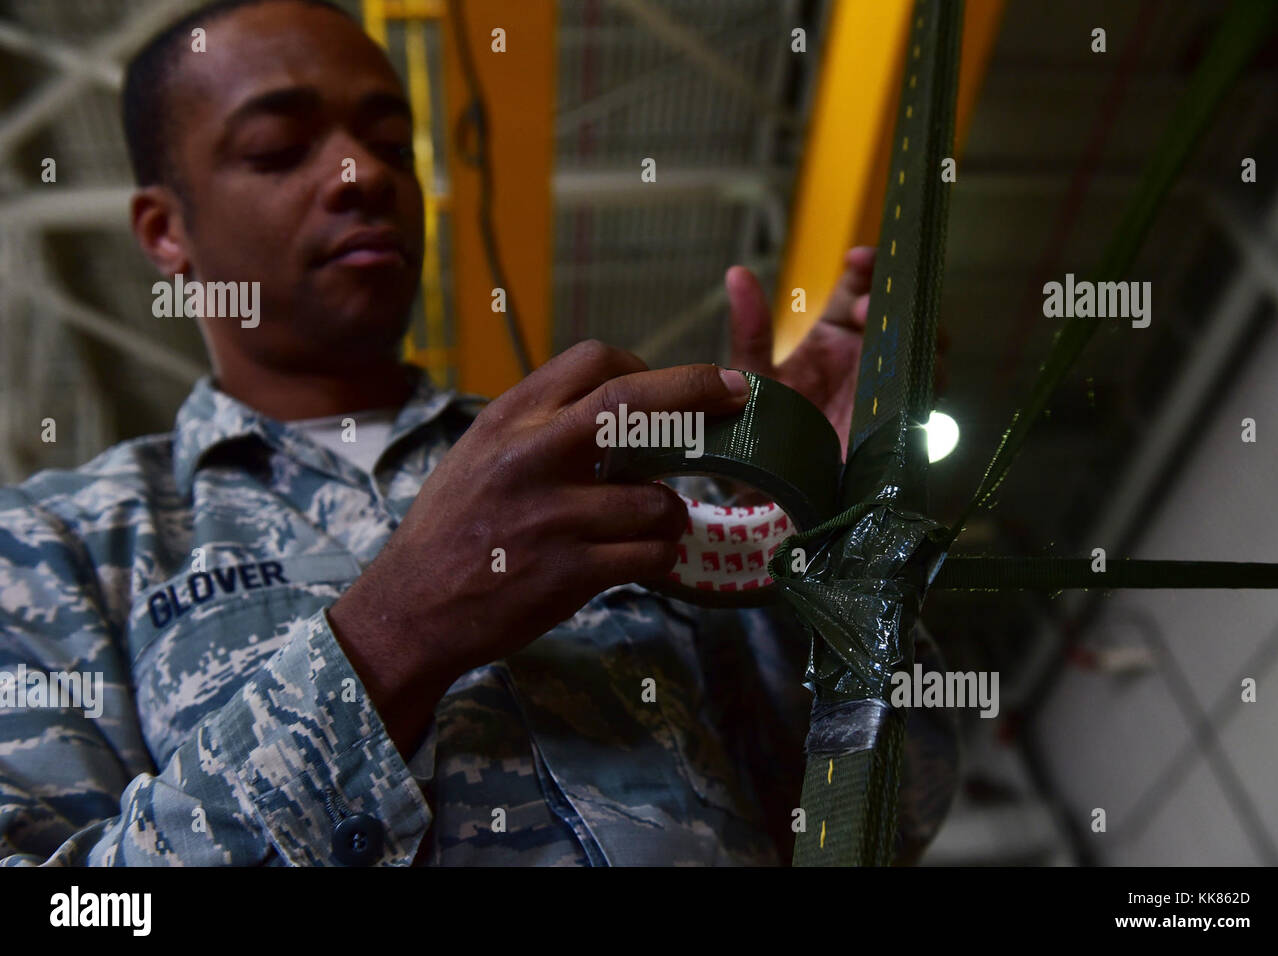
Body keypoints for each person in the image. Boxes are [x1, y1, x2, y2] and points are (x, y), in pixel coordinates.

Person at [0, 0, 955, 866]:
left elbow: (894, 814)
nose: (362, 174)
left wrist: (823, 525)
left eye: (389, 140)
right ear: (166, 231)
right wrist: (393, 633)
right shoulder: (57, 548)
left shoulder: (621, 470)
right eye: (280, 148)